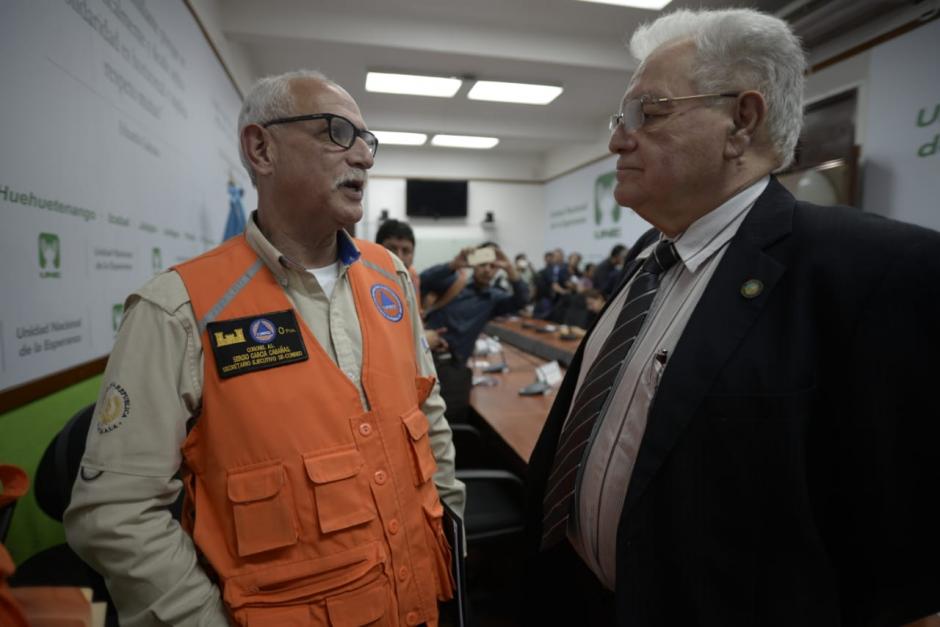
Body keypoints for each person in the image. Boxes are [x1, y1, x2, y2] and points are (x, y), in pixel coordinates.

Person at [525, 8, 940, 627]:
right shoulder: (649, 254)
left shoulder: (878, 270)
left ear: (741, 121)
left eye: (649, 111)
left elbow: (905, 560)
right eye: (621, 118)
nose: (616, 140)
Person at [65, 69, 464, 627]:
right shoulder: (181, 309)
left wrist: (451, 532)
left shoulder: (390, 277)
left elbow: (428, 414)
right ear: (261, 149)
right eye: (336, 132)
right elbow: (115, 512)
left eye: (367, 141)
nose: (365, 158)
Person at [420, 245, 529, 422]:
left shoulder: (493, 298)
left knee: (450, 425)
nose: (487, 270)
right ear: (474, 264)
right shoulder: (455, 283)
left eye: (493, 266)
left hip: (454, 369)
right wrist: (454, 265)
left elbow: (522, 299)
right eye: (483, 264)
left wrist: (510, 268)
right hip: (424, 362)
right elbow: (422, 280)